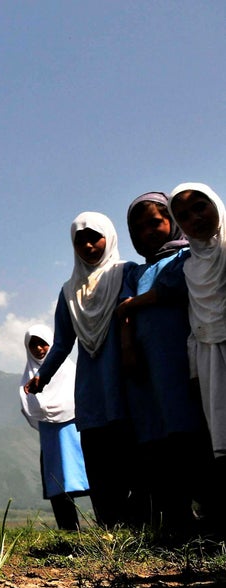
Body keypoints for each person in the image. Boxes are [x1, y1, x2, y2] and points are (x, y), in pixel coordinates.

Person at [24, 212, 136, 529]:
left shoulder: (125, 273)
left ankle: (141, 526)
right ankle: (110, 529)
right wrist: (41, 378)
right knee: (98, 458)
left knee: (131, 453)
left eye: (94, 237)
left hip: (126, 378)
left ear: (109, 238)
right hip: (90, 387)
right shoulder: (70, 291)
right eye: (80, 240)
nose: (87, 245)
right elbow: (62, 344)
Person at [117, 192, 207, 537]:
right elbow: (122, 310)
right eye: (138, 227)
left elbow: (174, 288)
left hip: (179, 359)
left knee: (189, 431)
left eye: (155, 222)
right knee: (157, 439)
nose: (148, 231)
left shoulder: (187, 256)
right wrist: (127, 347)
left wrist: (131, 305)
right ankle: (175, 520)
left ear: (172, 222)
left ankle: (206, 517)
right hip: (144, 366)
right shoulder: (137, 271)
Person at [167, 183, 226, 536]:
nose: (194, 218)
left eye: (200, 206)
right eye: (184, 215)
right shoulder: (190, 266)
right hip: (209, 353)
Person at [18, 326, 89, 531]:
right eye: (33, 345)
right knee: (58, 483)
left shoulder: (70, 370)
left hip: (76, 431)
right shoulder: (27, 379)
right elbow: (29, 408)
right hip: (51, 438)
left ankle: (109, 525)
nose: (39, 349)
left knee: (90, 476)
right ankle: (69, 530)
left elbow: (80, 397)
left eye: (43, 343)